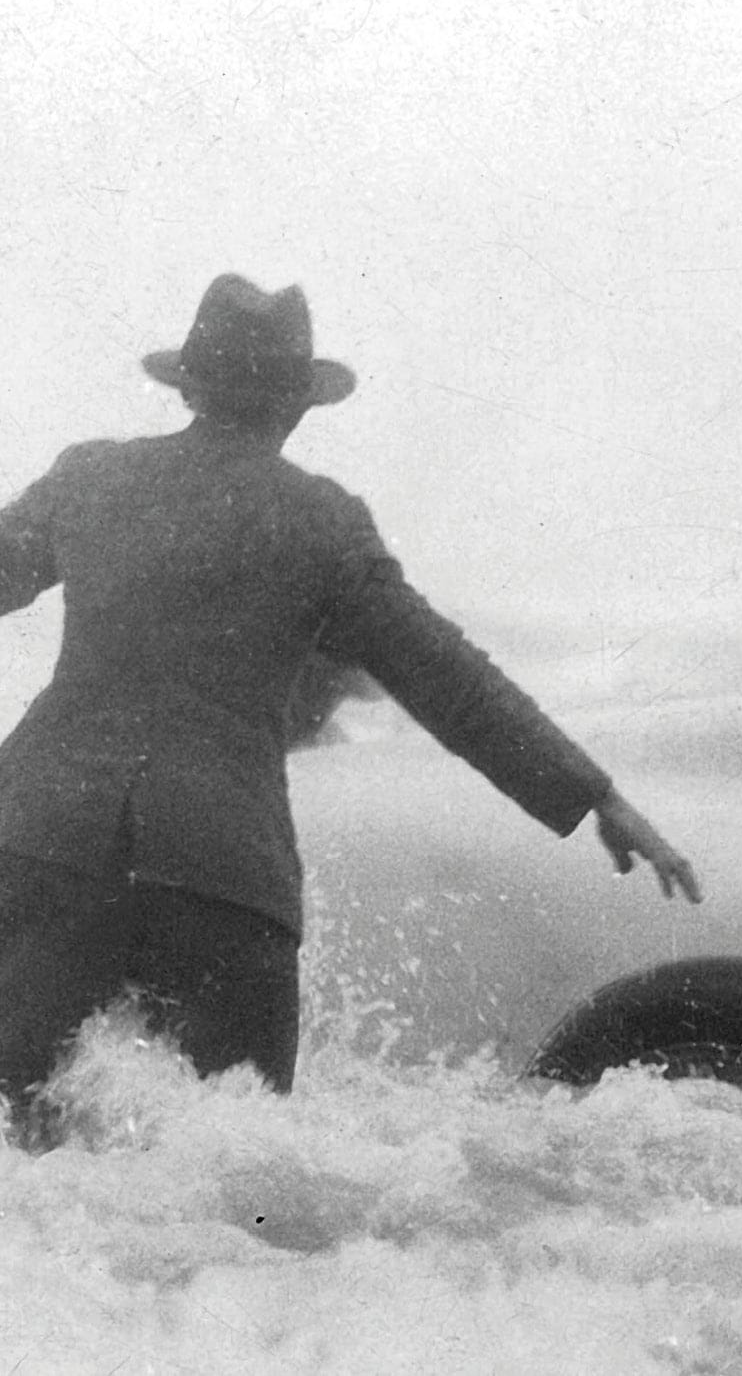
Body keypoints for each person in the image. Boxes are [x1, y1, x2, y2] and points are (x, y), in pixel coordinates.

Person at [0, 274, 703, 1140]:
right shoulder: (323, 523)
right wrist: (595, 794)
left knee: (19, 1141)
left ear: (186, 386)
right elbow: (447, 677)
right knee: (238, 1165)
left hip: (37, 843)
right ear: (297, 406)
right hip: (223, 875)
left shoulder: (90, 477)